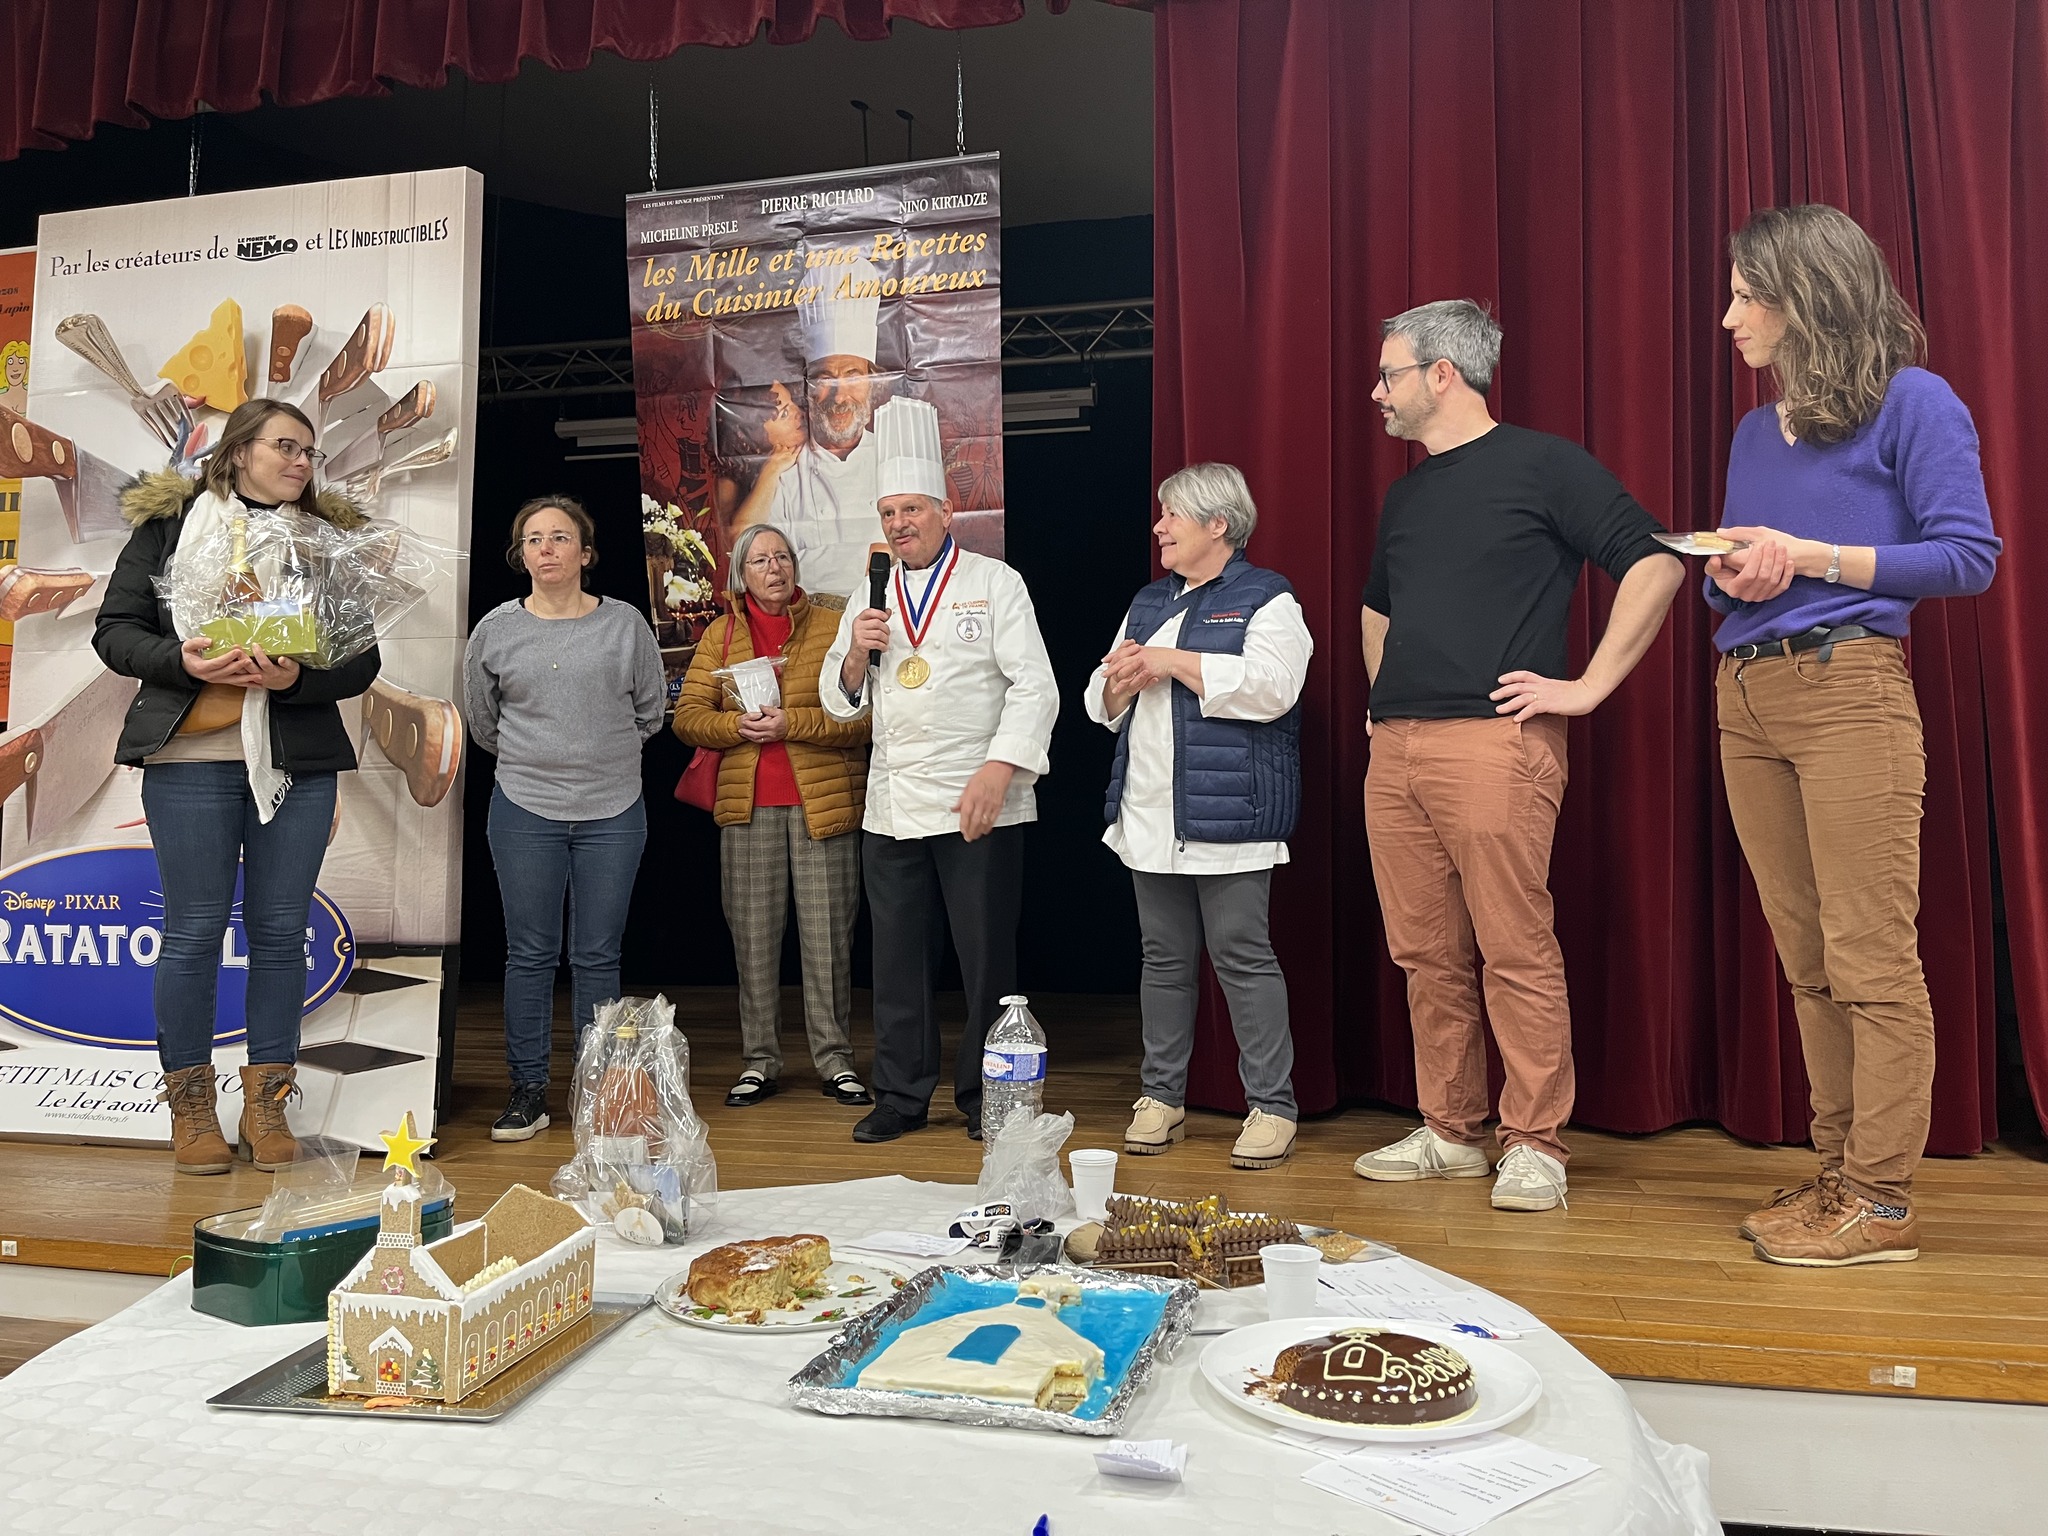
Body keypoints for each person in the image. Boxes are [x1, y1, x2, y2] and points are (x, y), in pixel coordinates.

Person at [1708, 205, 2000, 1266]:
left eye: (1748, 295)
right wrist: (1732, 572)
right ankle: (1837, 1174)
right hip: (1746, 694)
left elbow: (1968, 557)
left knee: (1870, 956)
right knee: (1806, 959)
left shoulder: (1912, 402)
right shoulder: (1756, 430)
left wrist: (1812, 556)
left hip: (1849, 691)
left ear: (1809, 297)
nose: (1729, 316)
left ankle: (1880, 1201)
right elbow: (1742, 579)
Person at [1353, 300, 1684, 1212]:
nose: (1376, 392)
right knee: (1424, 953)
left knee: (1512, 947)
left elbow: (1656, 561)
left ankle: (1534, 1142)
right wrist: (1383, 701)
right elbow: (1378, 607)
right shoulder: (1406, 494)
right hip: (1399, 749)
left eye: (1388, 374)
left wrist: (1588, 687)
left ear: (1442, 374)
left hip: (1497, 745)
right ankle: (1452, 1131)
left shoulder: (1544, 464)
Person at [94, 397, 380, 1175]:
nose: (301, 462)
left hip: (296, 763)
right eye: (286, 446)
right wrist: (182, 661)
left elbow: (362, 660)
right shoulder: (168, 527)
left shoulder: (324, 540)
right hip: (188, 759)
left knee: (282, 934)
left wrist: (295, 679)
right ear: (239, 450)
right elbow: (115, 632)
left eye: (309, 452)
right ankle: (191, 1108)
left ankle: (267, 1106)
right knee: (192, 933)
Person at [822, 396, 1059, 1143]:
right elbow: (839, 700)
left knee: (985, 960)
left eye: (912, 510)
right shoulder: (869, 593)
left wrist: (998, 768)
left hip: (977, 799)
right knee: (896, 959)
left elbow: (1036, 686)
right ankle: (900, 1094)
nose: (899, 524)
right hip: (892, 803)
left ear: (946, 511)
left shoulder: (995, 582)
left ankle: (988, 1095)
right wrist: (855, 654)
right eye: (888, 513)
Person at [1085, 463, 1311, 1170]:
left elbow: (1274, 688)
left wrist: (1173, 661)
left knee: (1242, 956)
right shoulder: (1148, 600)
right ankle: (1161, 1098)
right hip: (1149, 811)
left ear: (1218, 524)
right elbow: (1099, 698)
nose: (1159, 527)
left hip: (1229, 816)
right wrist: (1120, 682)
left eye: (1172, 515)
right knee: (1163, 960)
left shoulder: (1267, 597)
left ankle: (1272, 1107)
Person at [464, 496, 666, 1141]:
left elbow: (650, 711)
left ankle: (596, 1090)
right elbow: (483, 722)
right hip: (524, 806)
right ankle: (528, 1091)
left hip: (614, 808)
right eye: (533, 539)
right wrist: (543, 759)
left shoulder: (625, 624)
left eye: (559, 536)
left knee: (598, 955)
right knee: (529, 954)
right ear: (520, 555)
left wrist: (596, 756)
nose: (546, 548)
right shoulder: (496, 629)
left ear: (585, 551)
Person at [672, 523, 873, 1109]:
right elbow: (687, 717)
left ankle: (835, 1061)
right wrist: (736, 725)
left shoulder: (834, 625)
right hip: (748, 810)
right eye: (760, 560)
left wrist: (793, 724)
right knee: (754, 942)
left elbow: (864, 719)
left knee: (828, 942)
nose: (774, 569)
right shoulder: (721, 634)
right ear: (741, 574)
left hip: (824, 809)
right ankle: (759, 1062)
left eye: (782, 557)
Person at [732, 258, 888, 598]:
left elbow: (914, 558)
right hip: (802, 623)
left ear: (872, 382)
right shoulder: (785, 473)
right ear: (806, 387)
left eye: (852, 376)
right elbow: (753, 564)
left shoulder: (894, 459)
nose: (839, 396)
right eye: (824, 378)